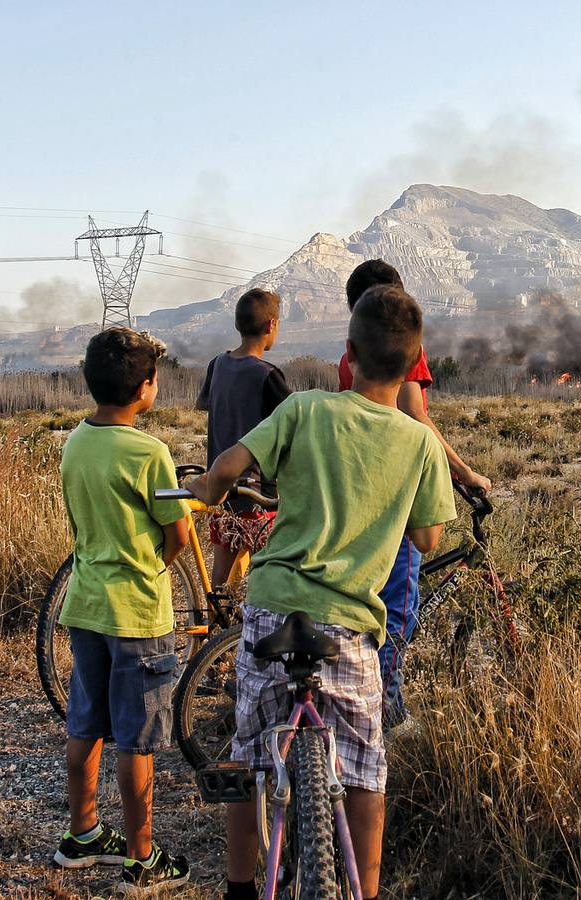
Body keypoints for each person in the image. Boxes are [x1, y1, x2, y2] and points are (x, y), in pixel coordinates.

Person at [190, 284, 456, 900]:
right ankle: (365, 888)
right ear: (414, 363)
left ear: (348, 354)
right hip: (351, 627)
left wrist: (209, 487)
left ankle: (237, 886)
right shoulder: (419, 443)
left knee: (251, 747)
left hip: (274, 608)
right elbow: (430, 535)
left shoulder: (306, 408)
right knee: (365, 773)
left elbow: (231, 465)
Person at [52, 327, 192, 890]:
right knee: (138, 737)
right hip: (137, 610)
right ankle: (142, 856)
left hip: (85, 602)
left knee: (85, 721)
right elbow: (177, 534)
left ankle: (83, 835)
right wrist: (161, 553)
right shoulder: (150, 453)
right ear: (146, 388)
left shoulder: (76, 442)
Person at [336, 259, 490, 728]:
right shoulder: (406, 343)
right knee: (397, 614)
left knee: (366, 606)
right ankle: (387, 721)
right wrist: (464, 473)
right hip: (398, 495)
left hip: (355, 494)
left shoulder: (352, 355)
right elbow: (415, 416)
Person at [194, 288, 291, 589]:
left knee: (221, 583)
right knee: (266, 578)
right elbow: (292, 425)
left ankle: (215, 632)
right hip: (257, 493)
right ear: (271, 326)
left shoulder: (217, 364)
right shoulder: (268, 375)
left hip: (220, 489)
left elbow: (204, 404)